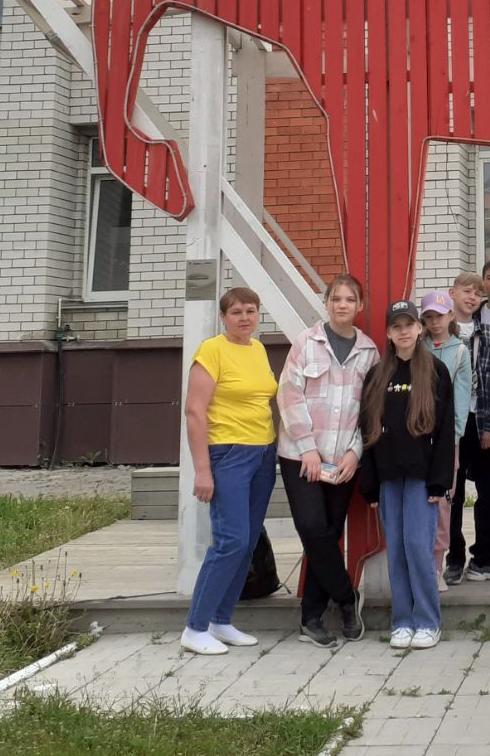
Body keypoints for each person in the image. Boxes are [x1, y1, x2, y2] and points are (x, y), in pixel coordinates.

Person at [277, 273, 378, 648]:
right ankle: (347, 599)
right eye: (336, 298)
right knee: (313, 528)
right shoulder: (307, 342)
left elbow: (370, 411)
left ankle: (312, 618)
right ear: (327, 303)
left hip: (343, 461)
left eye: (350, 300)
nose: (342, 305)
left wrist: (355, 452)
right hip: (301, 456)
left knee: (331, 534)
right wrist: (307, 448)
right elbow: (289, 394)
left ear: (359, 306)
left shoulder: (369, 353)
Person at [181, 286, 278, 655]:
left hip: (263, 453)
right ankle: (195, 627)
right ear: (223, 317)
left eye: (250, 310)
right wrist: (202, 471)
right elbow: (194, 411)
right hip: (229, 454)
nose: (244, 317)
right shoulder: (212, 351)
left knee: (248, 541)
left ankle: (222, 620)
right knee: (231, 541)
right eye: (236, 311)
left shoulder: (258, 349)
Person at [358, 300, 456, 650]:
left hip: (421, 477)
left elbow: (445, 431)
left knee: (418, 547)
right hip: (387, 478)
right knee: (396, 549)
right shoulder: (376, 376)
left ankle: (428, 621)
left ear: (420, 329)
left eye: (409, 325)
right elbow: (366, 432)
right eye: (396, 326)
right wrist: (369, 486)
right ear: (388, 332)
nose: (403, 331)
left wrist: (440, 481)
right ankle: (402, 621)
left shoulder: (435, 371)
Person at [454, 259, 490, 580]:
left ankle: (485, 555)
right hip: (451, 426)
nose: (473, 296)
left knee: (488, 490)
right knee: (453, 492)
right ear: (453, 293)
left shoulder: (488, 333)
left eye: (478, 292)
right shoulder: (439, 330)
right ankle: (453, 556)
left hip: (480, 420)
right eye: (467, 290)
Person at [419, 290, 471, 590]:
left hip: (446, 442)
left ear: (450, 315)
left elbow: (462, 399)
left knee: (443, 503)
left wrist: (452, 438)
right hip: (416, 439)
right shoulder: (416, 347)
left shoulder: (460, 351)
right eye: (428, 317)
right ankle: (420, 562)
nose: (434, 322)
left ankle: (437, 567)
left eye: (439, 316)